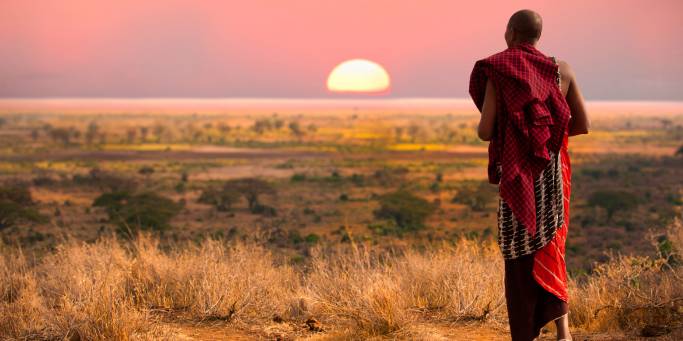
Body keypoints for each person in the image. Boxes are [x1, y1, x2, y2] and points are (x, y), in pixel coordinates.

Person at [468, 9, 589, 341]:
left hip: (517, 175)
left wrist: (515, 132)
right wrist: (546, 137)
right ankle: (563, 332)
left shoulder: (499, 71)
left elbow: (484, 130)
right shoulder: (561, 70)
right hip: (551, 171)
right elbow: (582, 124)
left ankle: (526, 334)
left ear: (509, 33)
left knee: (519, 253)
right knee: (551, 244)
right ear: (539, 35)